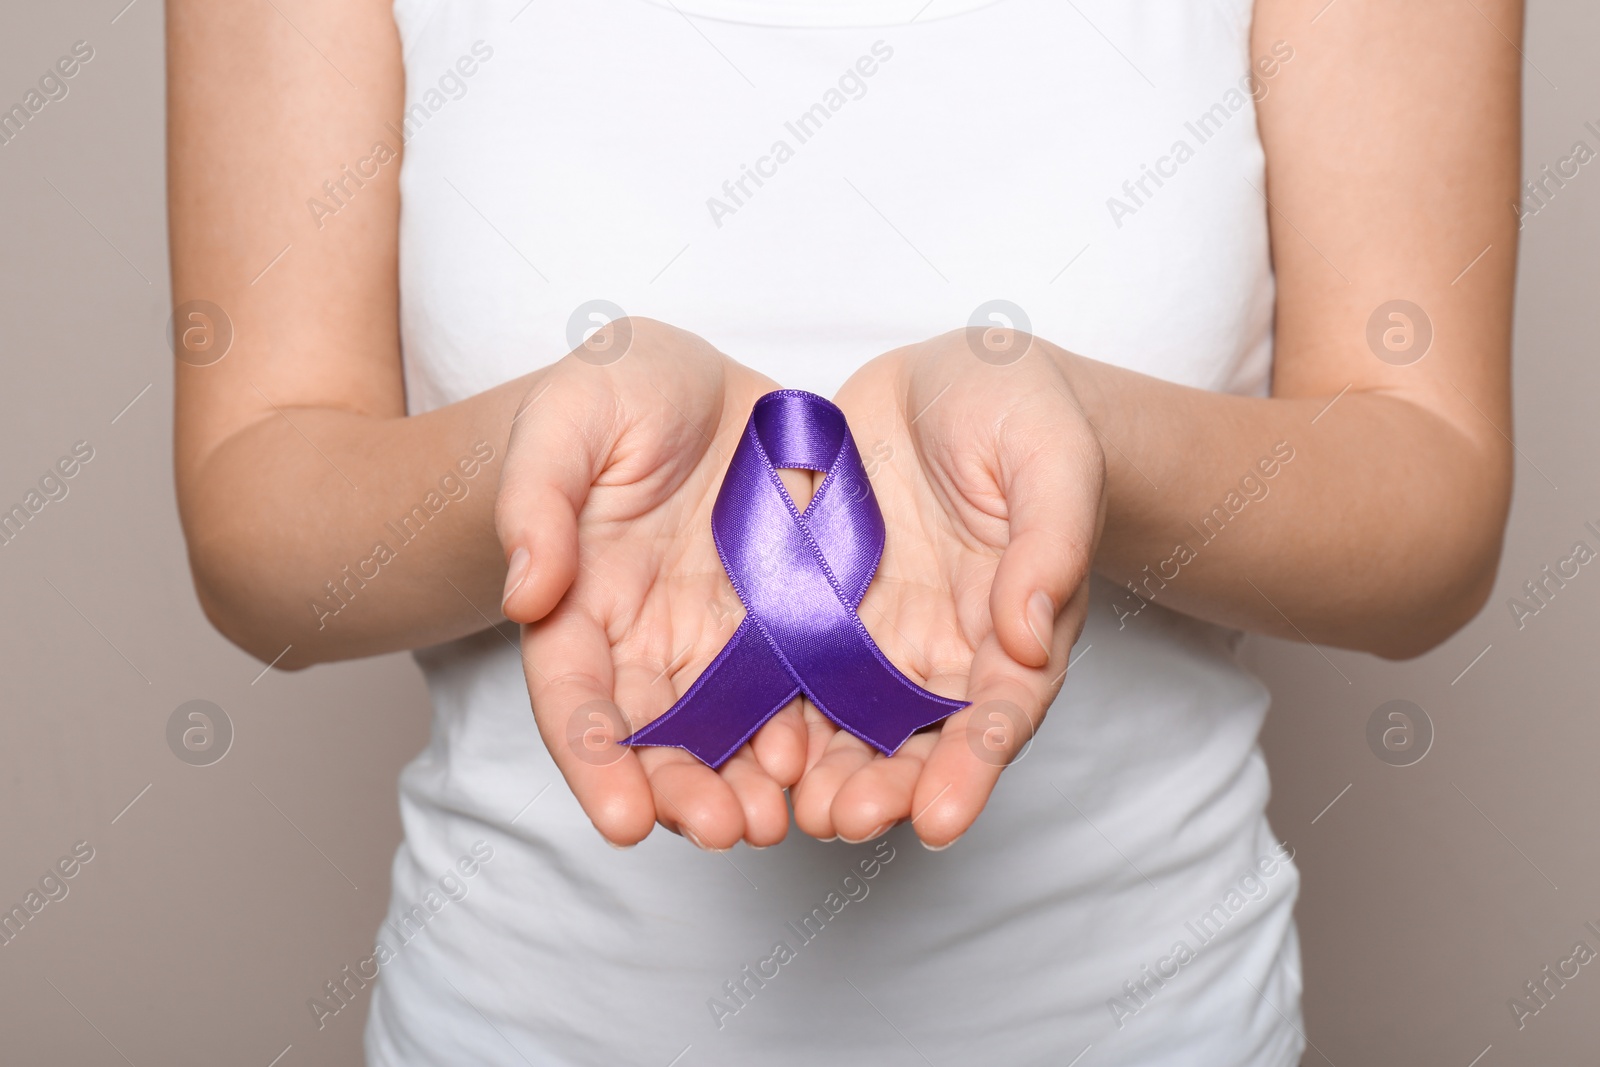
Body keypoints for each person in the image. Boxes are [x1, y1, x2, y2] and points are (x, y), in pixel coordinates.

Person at [169, 0, 1519, 1062]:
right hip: (509, 1026)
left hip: (1161, 1028)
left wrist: (1093, 443)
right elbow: (256, 522)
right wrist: (539, 462)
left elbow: (1431, 495)